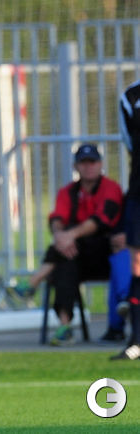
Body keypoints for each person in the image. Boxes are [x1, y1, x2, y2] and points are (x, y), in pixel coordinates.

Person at [38, 144, 123, 345]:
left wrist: (68, 236)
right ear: (75, 166)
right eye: (83, 163)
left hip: (106, 255)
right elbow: (57, 218)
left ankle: (34, 280)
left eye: (92, 162)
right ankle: (65, 326)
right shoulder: (68, 191)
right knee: (66, 259)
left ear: (100, 164)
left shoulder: (111, 188)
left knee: (70, 246)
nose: (88, 167)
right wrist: (60, 236)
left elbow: (101, 221)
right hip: (77, 256)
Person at [114, 79, 140, 360]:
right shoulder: (131, 97)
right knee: (137, 264)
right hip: (138, 191)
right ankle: (137, 340)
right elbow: (130, 143)